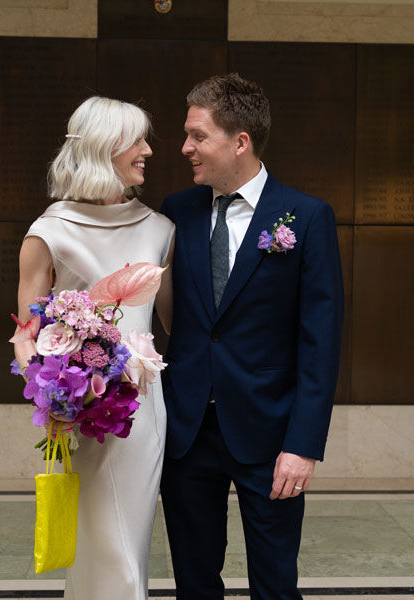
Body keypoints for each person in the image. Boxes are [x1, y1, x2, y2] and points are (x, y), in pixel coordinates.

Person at [159, 73, 344, 599]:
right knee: (193, 584)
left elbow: (321, 342)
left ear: (240, 142)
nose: (185, 147)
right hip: (188, 431)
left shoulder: (306, 217)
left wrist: (303, 446)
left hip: (271, 433)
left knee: (275, 585)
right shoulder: (176, 212)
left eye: (197, 136)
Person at [14, 96, 174, 599]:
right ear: (105, 147)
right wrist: (57, 394)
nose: (148, 150)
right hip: (82, 414)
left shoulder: (160, 229)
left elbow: (176, 325)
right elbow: (26, 334)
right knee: (100, 544)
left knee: (128, 546)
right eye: (137, 140)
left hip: (142, 413)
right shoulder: (48, 232)